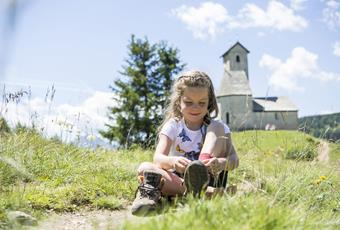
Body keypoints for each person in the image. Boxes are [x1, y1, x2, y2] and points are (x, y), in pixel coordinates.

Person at [131, 70, 239, 216]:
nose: (195, 107)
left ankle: (202, 181)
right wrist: (173, 161)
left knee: (217, 126)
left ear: (209, 103)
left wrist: (220, 162)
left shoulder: (219, 127)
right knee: (145, 168)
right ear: (179, 102)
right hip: (178, 180)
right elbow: (158, 159)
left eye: (202, 103)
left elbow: (234, 160)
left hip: (211, 177)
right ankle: (206, 194)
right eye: (189, 102)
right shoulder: (173, 125)